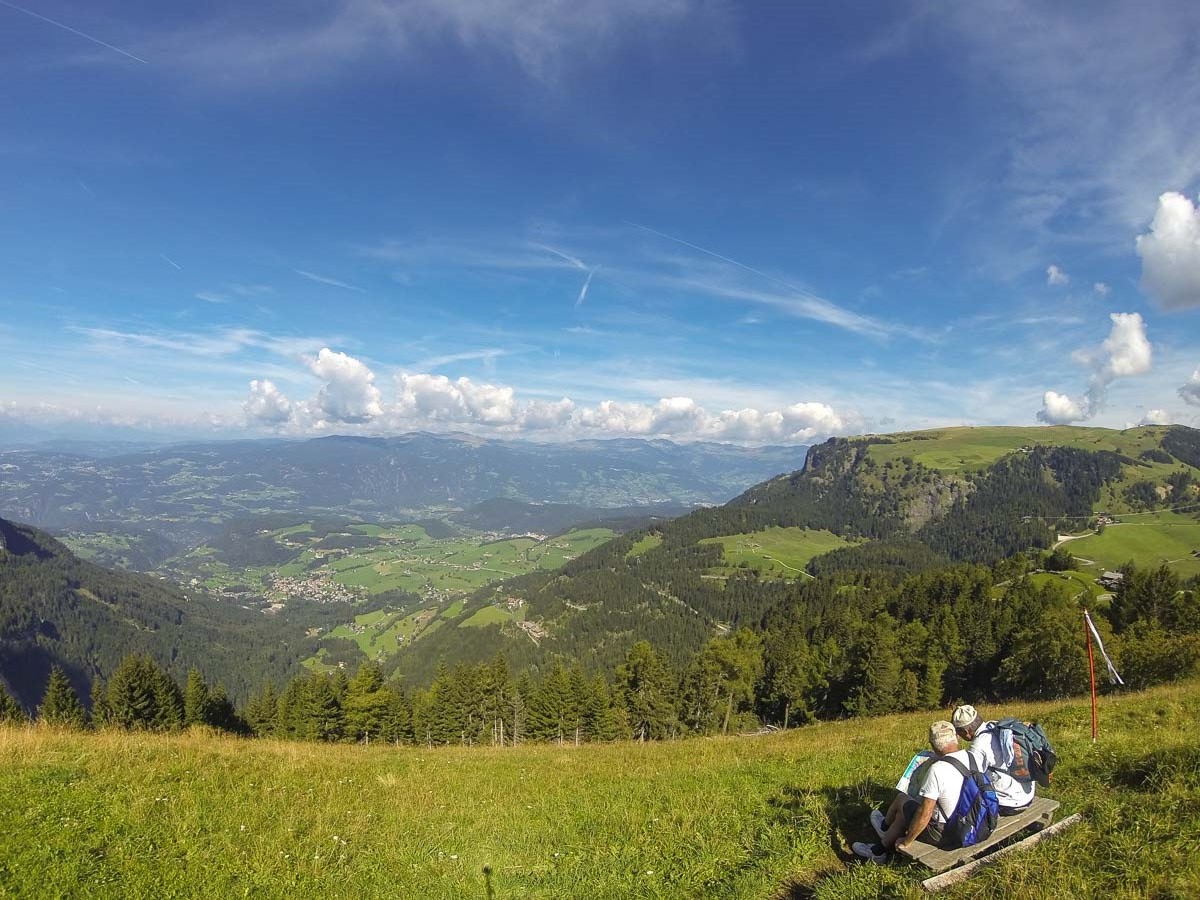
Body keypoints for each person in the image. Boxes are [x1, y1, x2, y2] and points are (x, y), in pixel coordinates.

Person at [852, 720, 977, 864]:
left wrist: (906, 841)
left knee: (903, 802)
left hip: (947, 833)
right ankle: (881, 845)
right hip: (971, 823)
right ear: (956, 738)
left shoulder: (938, 769)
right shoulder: (971, 757)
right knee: (906, 810)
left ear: (933, 745)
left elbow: (925, 814)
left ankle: (882, 838)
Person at [952, 704, 1035, 814]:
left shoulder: (978, 746)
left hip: (1011, 802)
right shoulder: (996, 726)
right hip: (1028, 793)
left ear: (966, 732)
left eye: (958, 732)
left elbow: (972, 779)